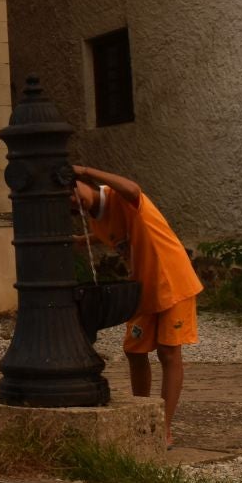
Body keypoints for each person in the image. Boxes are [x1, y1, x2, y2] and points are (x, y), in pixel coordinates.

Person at [72, 164, 202, 447]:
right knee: (134, 351)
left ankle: (163, 428)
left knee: (169, 353)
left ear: (83, 182)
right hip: (142, 289)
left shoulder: (119, 195)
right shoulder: (94, 218)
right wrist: (84, 240)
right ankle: (144, 418)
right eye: (65, 200)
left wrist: (84, 169)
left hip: (173, 281)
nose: (72, 199)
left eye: (72, 191)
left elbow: (133, 188)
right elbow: (114, 234)